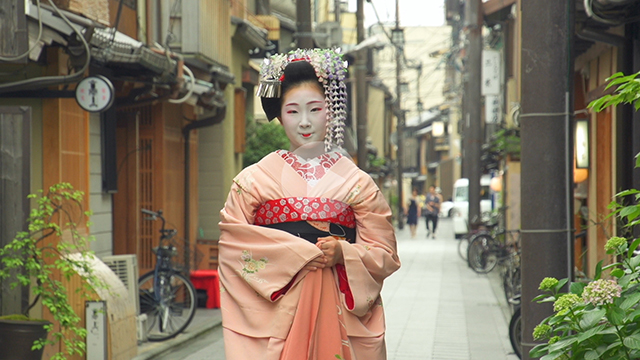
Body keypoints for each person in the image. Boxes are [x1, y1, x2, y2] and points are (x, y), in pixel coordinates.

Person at [218, 48, 401, 360]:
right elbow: (233, 245)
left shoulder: (358, 183)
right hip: (279, 309)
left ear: (330, 111)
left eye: (315, 109)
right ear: (279, 116)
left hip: (338, 306)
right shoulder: (252, 181)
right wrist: (295, 255)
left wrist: (344, 252)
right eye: (292, 112)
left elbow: (385, 253)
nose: (304, 123)